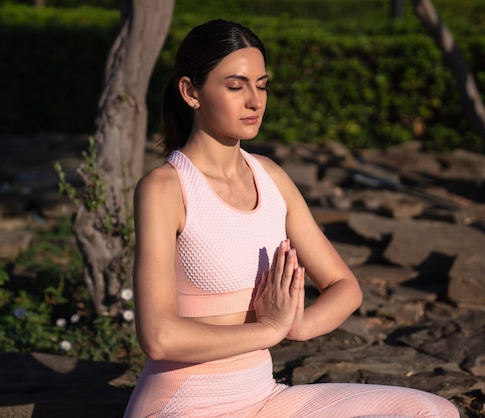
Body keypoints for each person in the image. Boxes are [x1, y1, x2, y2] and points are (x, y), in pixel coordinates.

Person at [124, 19, 459, 418]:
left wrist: (297, 325)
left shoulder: (271, 177)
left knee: (432, 412)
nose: (255, 101)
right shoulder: (165, 188)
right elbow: (159, 337)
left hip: (264, 398)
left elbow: (344, 286)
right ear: (191, 91)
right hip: (185, 403)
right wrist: (268, 330)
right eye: (236, 86)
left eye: (262, 84)